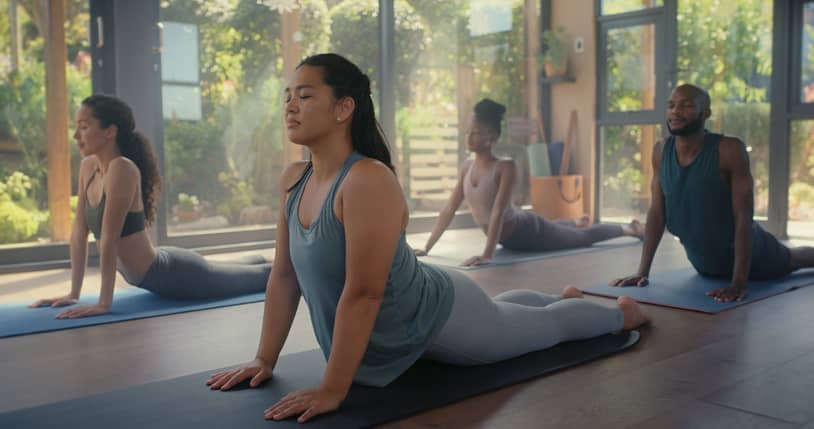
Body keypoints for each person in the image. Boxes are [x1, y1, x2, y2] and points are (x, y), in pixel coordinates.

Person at [205, 53, 649, 423]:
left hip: (439, 319)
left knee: (550, 330)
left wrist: (332, 388)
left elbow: (362, 294)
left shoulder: (366, 180)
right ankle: (555, 296)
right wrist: (264, 359)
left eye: (305, 96)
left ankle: (622, 315)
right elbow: (284, 277)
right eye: (288, 97)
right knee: (508, 314)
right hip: (415, 309)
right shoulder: (292, 179)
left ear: (343, 109)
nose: (290, 106)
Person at [29, 94, 271, 319]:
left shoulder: (121, 169)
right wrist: (73, 292)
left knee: (265, 277)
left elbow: (109, 238)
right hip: (164, 265)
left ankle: (294, 265)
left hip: (174, 275)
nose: (76, 136)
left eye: (83, 127)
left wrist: (103, 304)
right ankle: (261, 257)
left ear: (110, 132)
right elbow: (78, 234)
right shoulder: (88, 167)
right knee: (241, 268)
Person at [611, 84, 814, 302]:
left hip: (757, 258)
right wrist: (642, 272)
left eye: (686, 105)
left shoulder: (729, 150)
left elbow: (744, 219)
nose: (676, 111)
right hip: (705, 265)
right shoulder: (661, 151)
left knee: (793, 258)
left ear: (705, 112)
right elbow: (657, 213)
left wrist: (737, 283)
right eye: (671, 105)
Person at [413, 98, 644, 267]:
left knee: (582, 239)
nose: (469, 137)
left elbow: (497, 213)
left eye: (476, 133)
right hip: (513, 238)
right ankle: (575, 222)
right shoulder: (466, 167)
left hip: (528, 232)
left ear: (491, 137)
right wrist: (427, 247)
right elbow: (449, 209)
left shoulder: (505, 167)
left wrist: (487, 255)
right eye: (468, 132)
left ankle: (629, 229)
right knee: (562, 228)